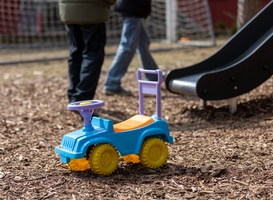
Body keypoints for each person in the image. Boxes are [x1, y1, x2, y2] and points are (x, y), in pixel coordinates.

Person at [58, 0, 116, 103]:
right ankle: (82, 98)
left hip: (68, 10)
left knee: (76, 53)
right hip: (92, 11)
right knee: (92, 55)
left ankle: (73, 97)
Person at [103, 0, 159, 96]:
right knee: (127, 46)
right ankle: (112, 84)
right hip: (132, 9)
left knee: (143, 42)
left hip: (131, 8)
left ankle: (153, 76)